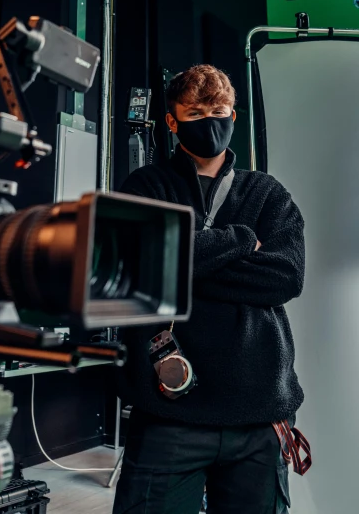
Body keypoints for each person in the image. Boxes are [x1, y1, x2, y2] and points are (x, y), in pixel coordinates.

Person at [112, 64, 305, 514]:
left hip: (259, 415)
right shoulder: (147, 186)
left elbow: (285, 277)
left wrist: (183, 261)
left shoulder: (268, 194)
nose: (210, 120)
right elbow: (141, 269)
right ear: (173, 121)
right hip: (168, 415)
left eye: (219, 110)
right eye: (196, 112)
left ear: (233, 116)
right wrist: (240, 240)